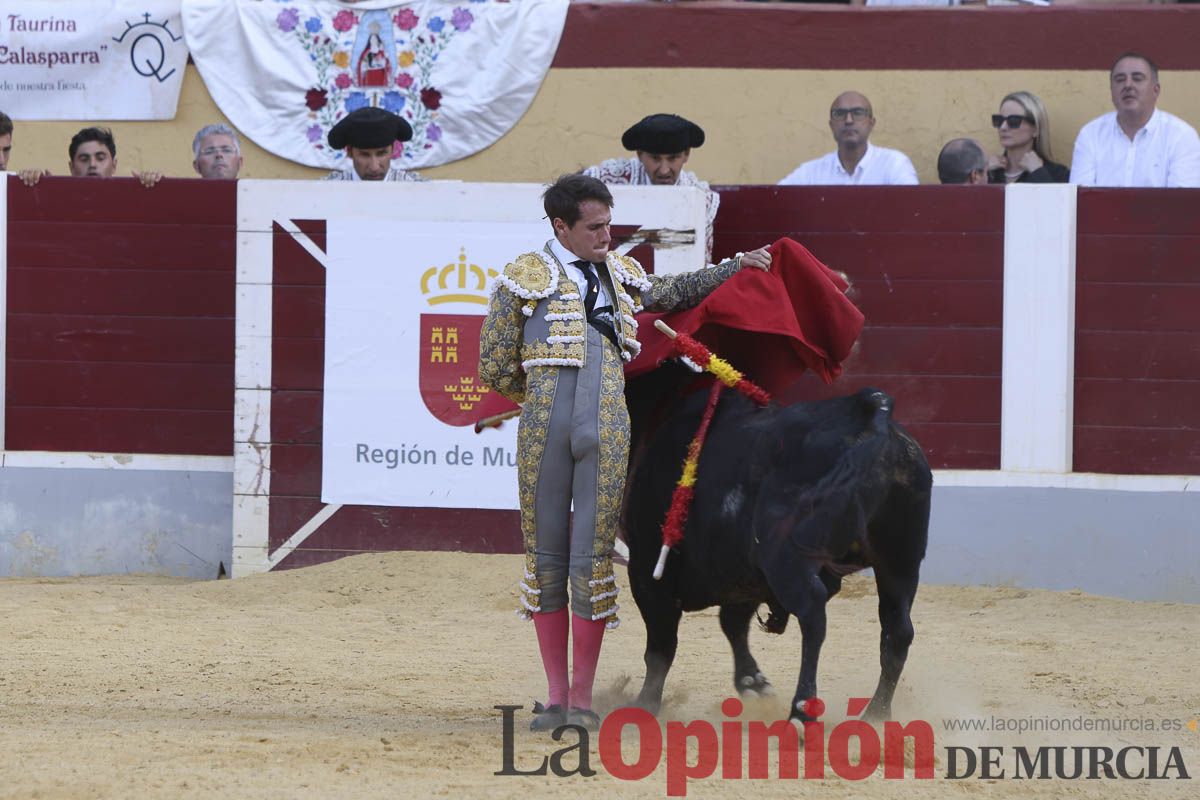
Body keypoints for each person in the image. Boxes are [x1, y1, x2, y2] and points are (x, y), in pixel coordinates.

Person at [478, 173, 771, 733]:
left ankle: (583, 701)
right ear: (560, 226)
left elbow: (680, 291)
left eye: (610, 223)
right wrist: (543, 398)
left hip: (610, 426)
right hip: (546, 430)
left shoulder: (623, 273)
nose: (607, 235)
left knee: (592, 561)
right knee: (546, 562)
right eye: (594, 226)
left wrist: (736, 264)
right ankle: (556, 696)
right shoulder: (525, 277)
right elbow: (491, 365)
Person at [583, 113, 720, 263]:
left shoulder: (701, 198)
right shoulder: (608, 179)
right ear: (640, 154)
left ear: (686, 154)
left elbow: (700, 264)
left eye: (673, 158)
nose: (664, 170)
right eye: (655, 158)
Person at [1070, 51, 1200, 187]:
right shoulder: (1091, 135)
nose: (1128, 85)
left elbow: (1182, 204)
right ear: (1111, 90)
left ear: (1155, 90)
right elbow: (1081, 200)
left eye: (1137, 78)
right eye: (1120, 79)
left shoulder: (1181, 137)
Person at [779, 91, 918, 186]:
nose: (849, 120)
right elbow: (775, 202)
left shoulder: (894, 165)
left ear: (871, 123)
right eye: (840, 113)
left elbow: (911, 211)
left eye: (858, 113)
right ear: (831, 125)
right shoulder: (811, 173)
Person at [15, 127, 160, 187]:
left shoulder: (132, 199)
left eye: (100, 158)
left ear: (114, 165)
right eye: (84, 159)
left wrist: (155, 188)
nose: (92, 164)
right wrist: (33, 184)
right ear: (71, 167)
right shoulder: (56, 200)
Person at [986, 91, 1069, 184]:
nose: (1003, 127)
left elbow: (1057, 198)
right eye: (999, 120)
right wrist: (985, 175)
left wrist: (1038, 173)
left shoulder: (1058, 174)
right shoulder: (990, 171)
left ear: (1036, 129)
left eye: (1013, 121)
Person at [323, 107, 424, 182]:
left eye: (381, 153)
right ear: (349, 152)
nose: (374, 167)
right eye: (364, 154)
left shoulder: (417, 188)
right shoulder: (327, 190)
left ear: (393, 149)